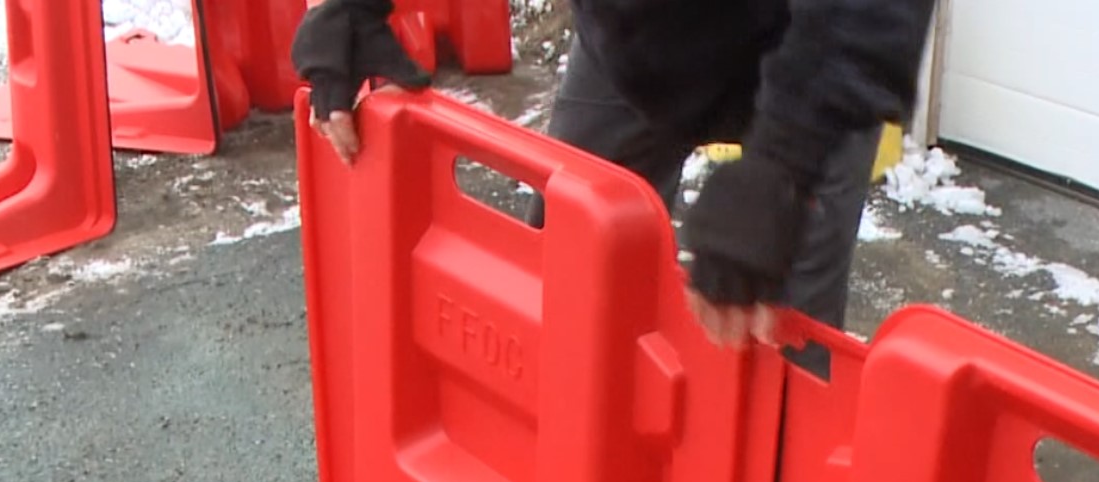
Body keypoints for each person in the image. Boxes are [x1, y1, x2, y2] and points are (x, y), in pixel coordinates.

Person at [291, 0, 933, 351]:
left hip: (807, 55)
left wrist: (786, 167)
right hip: (638, 41)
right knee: (566, 287)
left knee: (782, 353)